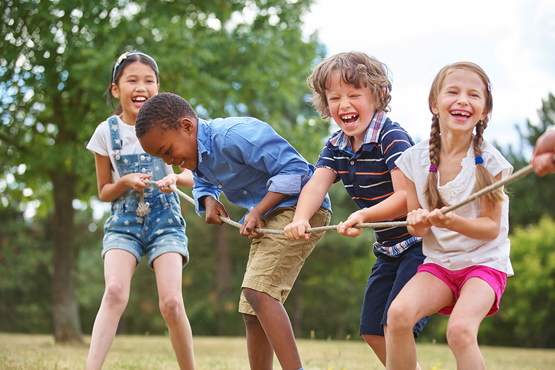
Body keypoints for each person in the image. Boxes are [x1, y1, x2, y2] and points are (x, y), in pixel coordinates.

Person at [134, 92, 332, 370]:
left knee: (259, 293)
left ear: (187, 127)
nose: (172, 162)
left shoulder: (233, 135)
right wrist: (208, 200)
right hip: (271, 215)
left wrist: (258, 210)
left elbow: (295, 169)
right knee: (252, 311)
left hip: (300, 209)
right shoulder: (198, 157)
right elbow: (204, 182)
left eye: (168, 151)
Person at [283, 51, 428, 368]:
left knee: (394, 322)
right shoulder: (336, 146)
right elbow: (316, 185)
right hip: (389, 248)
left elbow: (404, 196)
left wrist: (362, 215)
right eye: (334, 97)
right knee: (373, 331)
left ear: (379, 95)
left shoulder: (392, 137)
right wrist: (300, 218)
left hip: (421, 245)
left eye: (354, 94)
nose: (344, 104)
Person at [386, 62, 513, 370]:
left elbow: (491, 228)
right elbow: (418, 228)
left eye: (474, 95)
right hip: (440, 264)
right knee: (397, 316)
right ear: (434, 103)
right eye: (453, 92)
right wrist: (418, 224)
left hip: (483, 265)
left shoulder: (492, 163)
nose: (462, 100)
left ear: (484, 111)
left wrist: (451, 222)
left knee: (459, 331)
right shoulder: (412, 161)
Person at [86, 51, 195, 370]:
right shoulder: (106, 133)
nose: (141, 86)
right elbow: (105, 191)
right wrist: (126, 182)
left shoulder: (175, 126)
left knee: (172, 303)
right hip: (124, 224)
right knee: (115, 292)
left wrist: (175, 176)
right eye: (132, 80)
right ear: (116, 89)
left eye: (149, 80)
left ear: (158, 88)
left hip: (166, 223)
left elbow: (192, 174)